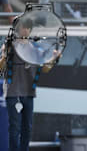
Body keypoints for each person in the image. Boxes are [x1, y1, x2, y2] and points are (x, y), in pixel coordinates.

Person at [0, 18, 61, 151]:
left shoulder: (34, 48)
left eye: (28, 27)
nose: (25, 30)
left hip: (28, 93)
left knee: (27, 128)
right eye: (23, 27)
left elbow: (45, 68)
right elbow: (0, 67)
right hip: (12, 93)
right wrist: (5, 55)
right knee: (15, 129)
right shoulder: (9, 45)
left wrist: (54, 59)